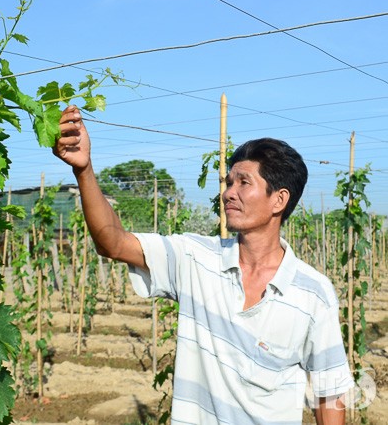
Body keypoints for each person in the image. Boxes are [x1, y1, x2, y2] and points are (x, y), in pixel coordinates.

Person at [53, 105, 354, 424]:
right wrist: (83, 170)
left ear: (279, 200)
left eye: (243, 183)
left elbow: (329, 392)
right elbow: (112, 243)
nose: (228, 194)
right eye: (228, 182)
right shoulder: (194, 258)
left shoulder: (314, 293)